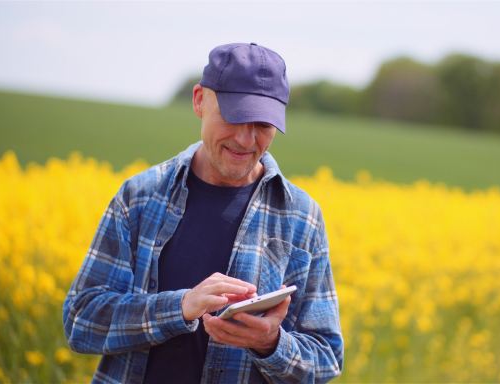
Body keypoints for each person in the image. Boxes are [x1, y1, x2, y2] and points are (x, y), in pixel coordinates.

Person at [63, 42, 343, 384]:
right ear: (199, 100)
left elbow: (326, 359)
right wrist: (180, 307)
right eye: (233, 116)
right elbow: (80, 321)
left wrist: (271, 344)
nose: (245, 139)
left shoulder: (302, 216)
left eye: (262, 124)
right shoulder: (139, 197)